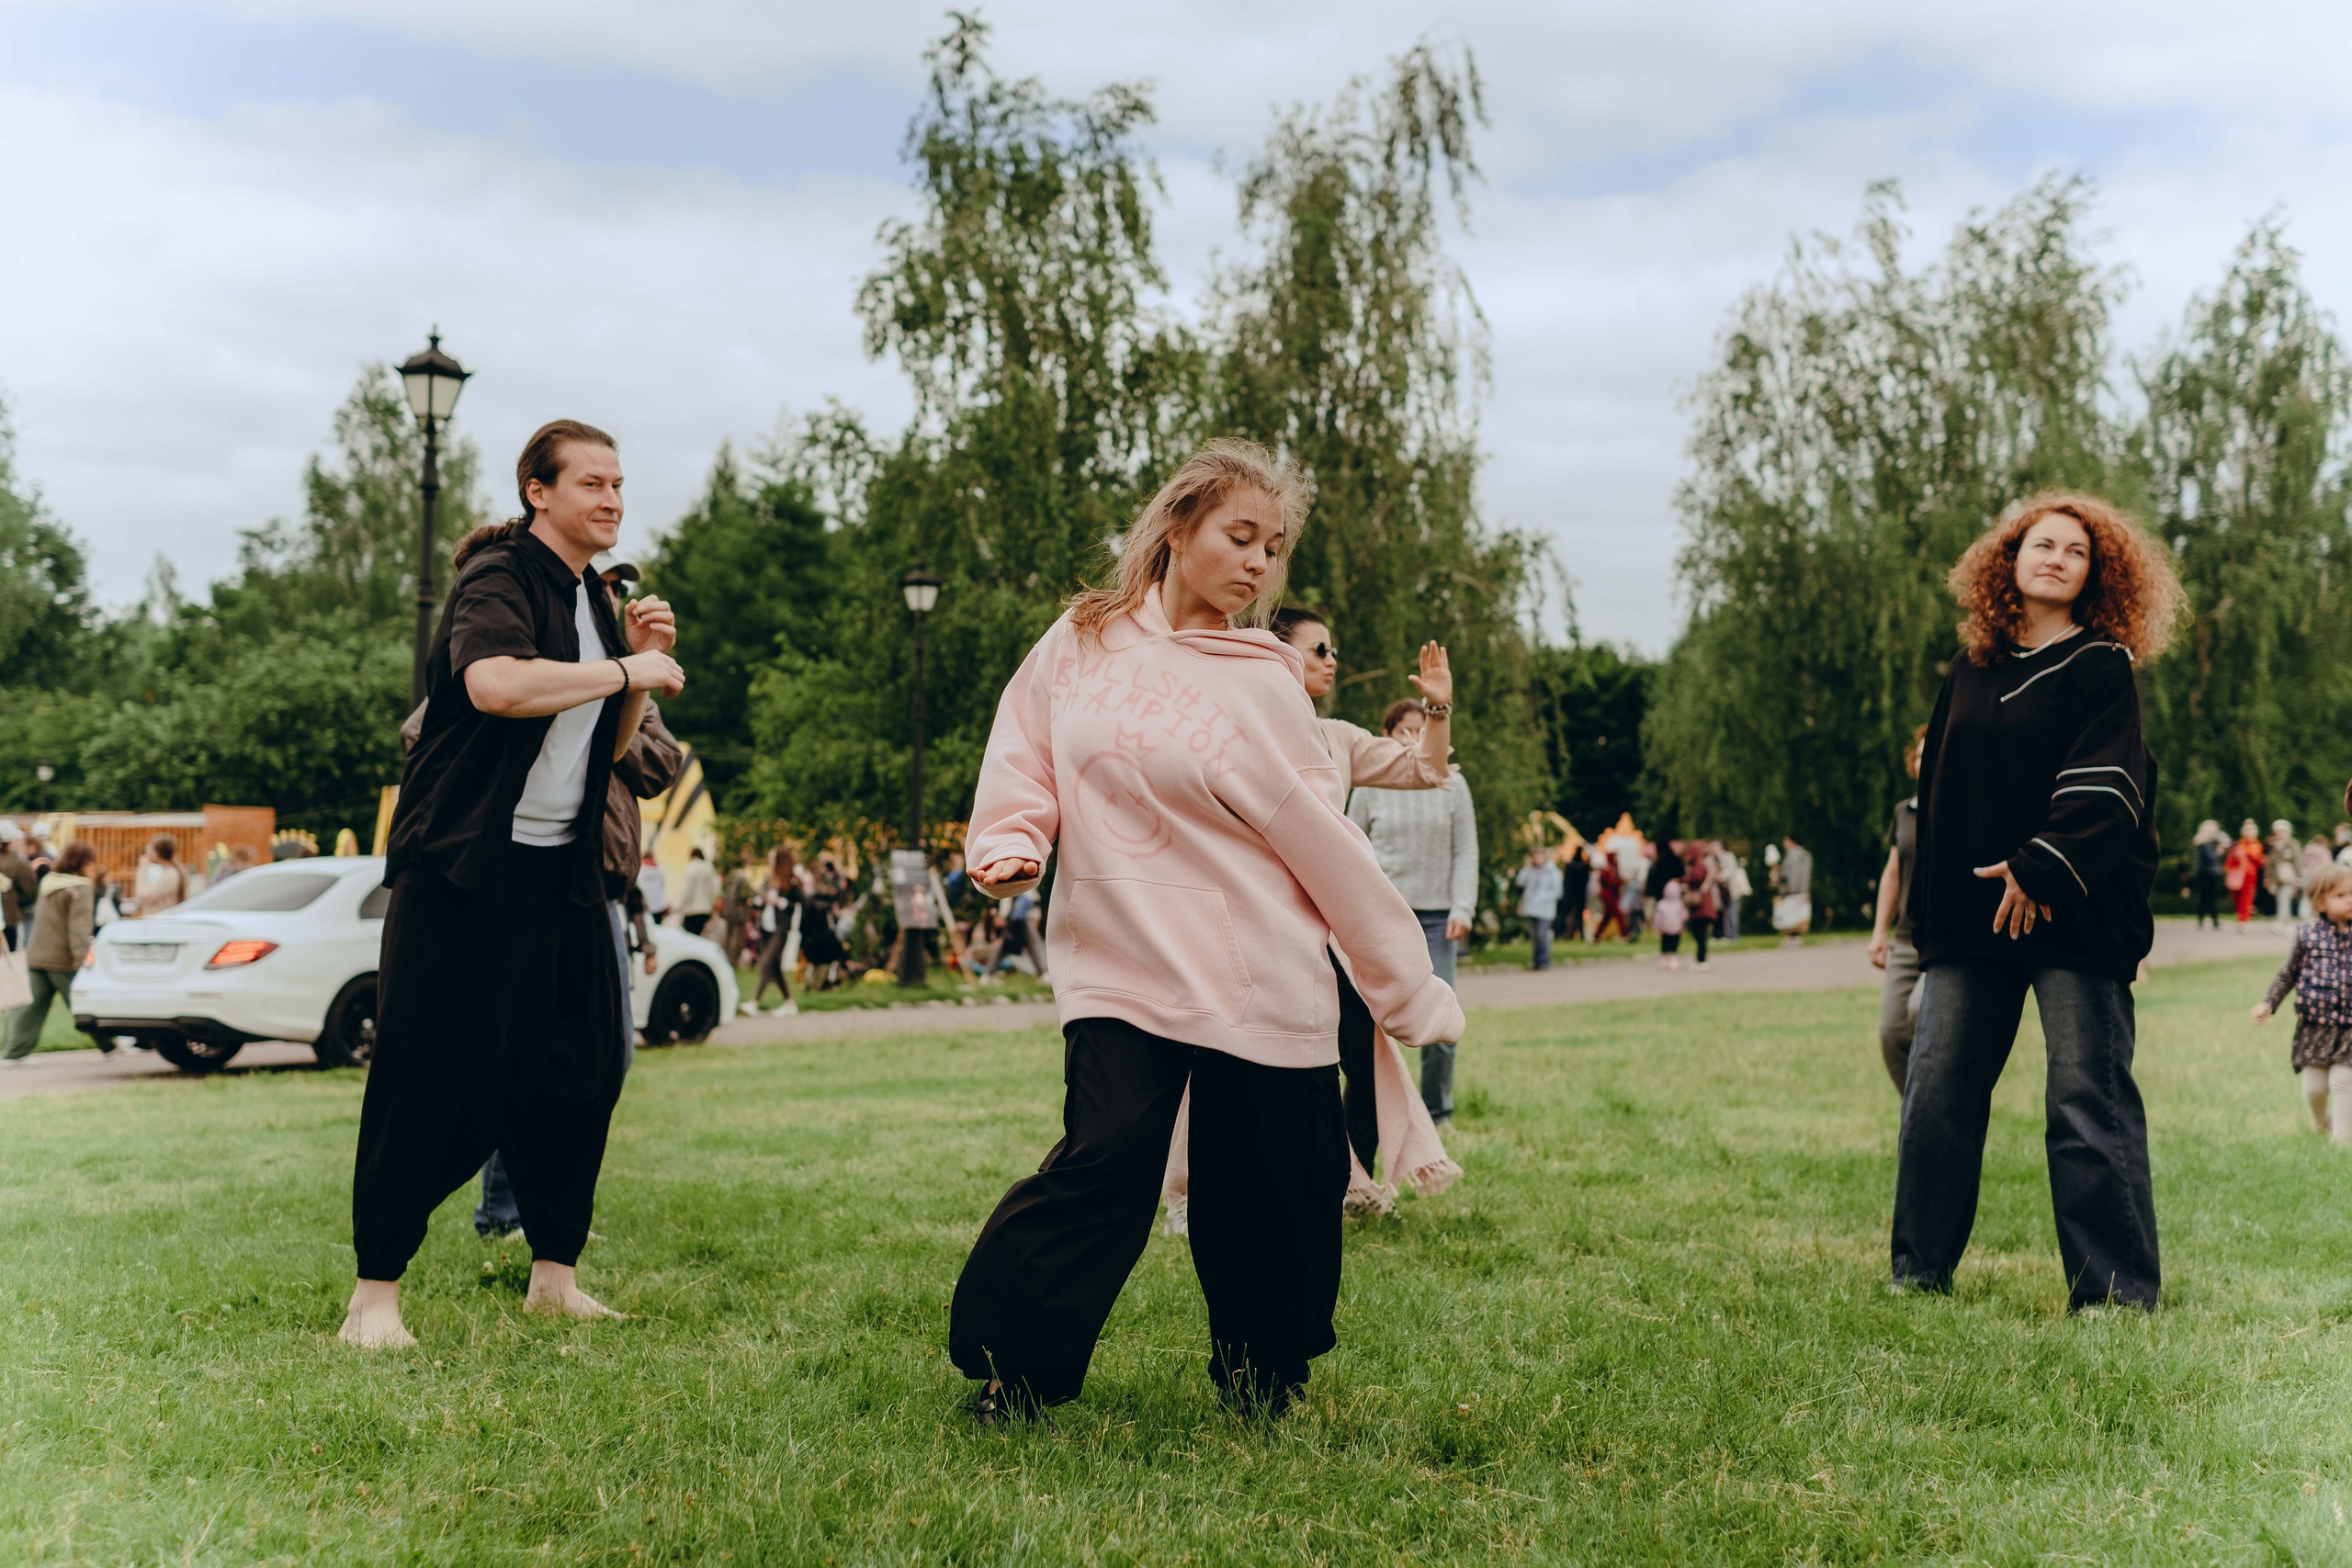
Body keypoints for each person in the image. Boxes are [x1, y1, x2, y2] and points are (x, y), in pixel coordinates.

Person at [949, 438, 1464, 1422]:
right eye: (1242, 536)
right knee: (1103, 1159)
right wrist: (1011, 841)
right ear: (1177, 528)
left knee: (1268, 1186)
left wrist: (1403, 984)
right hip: (1119, 960)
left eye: (1274, 548)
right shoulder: (1082, 639)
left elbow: (1321, 842)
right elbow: (1024, 750)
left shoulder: (1265, 680)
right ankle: (1018, 1372)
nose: (1260, 563)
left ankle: (1263, 1381)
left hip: (1256, 971)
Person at [341, 418, 685, 1349]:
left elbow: (610, 747)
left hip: (562, 873)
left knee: (581, 1069)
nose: (611, 500)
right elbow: (495, 685)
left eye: (619, 485)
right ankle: (374, 1297)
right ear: (539, 491)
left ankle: (554, 1278)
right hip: (462, 868)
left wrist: (630, 681)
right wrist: (625, 664)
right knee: (427, 1076)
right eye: (591, 483)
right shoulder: (499, 576)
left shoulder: (596, 594)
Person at [1893, 491, 2184, 1313]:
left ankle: (2114, 1295)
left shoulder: (2101, 665)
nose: (2057, 558)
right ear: (2010, 559)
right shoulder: (1969, 669)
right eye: (2042, 544)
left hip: (2075, 913)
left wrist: (2038, 869)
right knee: (1938, 1092)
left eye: (2076, 551)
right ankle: (1918, 1272)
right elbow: (1938, 798)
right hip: (1972, 918)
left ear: (2097, 575)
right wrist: (1927, 919)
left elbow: (2110, 787)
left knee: (2085, 1098)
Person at [1349, 699, 1479, 1124]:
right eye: (1402, 730)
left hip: (1439, 917)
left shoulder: (1452, 783)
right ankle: (1372, 1115)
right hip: (1383, 918)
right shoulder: (1369, 785)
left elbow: (1466, 850)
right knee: (1368, 1024)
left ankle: (1437, 1113)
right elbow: (1348, 848)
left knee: (1439, 1019)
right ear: (1386, 735)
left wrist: (1463, 906)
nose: (1411, 738)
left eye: (1419, 730)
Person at [2253, 863, 2352, 1143]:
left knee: (2343, 1081)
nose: (2350, 900)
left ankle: (2342, 1141)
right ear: (2320, 902)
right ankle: (2321, 1121)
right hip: (2314, 1026)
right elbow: (2288, 974)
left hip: (2349, 1027)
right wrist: (2268, 1004)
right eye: (2341, 895)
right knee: (2315, 1088)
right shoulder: (2307, 935)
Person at [1868, 728, 1929, 1091]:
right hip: (1905, 940)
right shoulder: (1904, 812)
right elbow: (1893, 873)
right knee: (1891, 1032)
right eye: (1919, 756)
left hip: (1944, 940)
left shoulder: (1962, 808)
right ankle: (1917, 1113)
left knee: (1921, 1011)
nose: (1924, 762)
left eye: (1932, 754)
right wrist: (1880, 931)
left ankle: (1939, 1106)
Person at [1, 841, 96, 1064]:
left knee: (28, 1008)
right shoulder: (80, 889)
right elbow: (79, 929)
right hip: (62, 959)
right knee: (84, 1005)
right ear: (85, 863)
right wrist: (82, 961)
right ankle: (111, 1044)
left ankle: (14, 1052)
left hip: (37, 954)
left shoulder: (50, 882)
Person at [747, 847, 804, 1016]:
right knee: (775, 967)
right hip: (766, 928)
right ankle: (789, 1003)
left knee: (766, 963)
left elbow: (799, 904)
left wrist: (779, 902)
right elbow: (759, 901)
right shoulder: (768, 879)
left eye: (772, 858)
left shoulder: (791, 882)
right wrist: (760, 900)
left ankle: (754, 1002)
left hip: (781, 929)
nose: (769, 861)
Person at [1516, 846, 1564, 970]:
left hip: (1545, 908)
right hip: (1531, 907)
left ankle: (1543, 961)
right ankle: (1536, 961)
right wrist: (1526, 868)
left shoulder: (1553, 872)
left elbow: (1557, 892)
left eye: (1537, 856)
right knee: (1534, 936)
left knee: (1542, 935)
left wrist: (1541, 897)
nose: (1535, 859)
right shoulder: (1531, 870)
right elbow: (1520, 882)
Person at [130, 834, 187, 919]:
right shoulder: (168, 872)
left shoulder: (171, 874)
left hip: (161, 921)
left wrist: (142, 868)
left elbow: (143, 896)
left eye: (149, 848)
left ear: (156, 853)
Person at [1680, 843, 1717, 965]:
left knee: (1700, 931)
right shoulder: (1699, 864)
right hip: (1702, 904)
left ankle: (1702, 958)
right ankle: (1701, 957)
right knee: (1700, 932)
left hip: (1701, 905)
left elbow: (1696, 878)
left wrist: (1682, 880)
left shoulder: (1698, 865)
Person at [1772, 836, 1813, 943]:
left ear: (1791, 841)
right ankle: (1796, 936)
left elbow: (1787, 874)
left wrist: (1777, 872)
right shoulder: (1805, 855)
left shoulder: (1791, 855)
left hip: (1791, 889)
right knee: (1798, 915)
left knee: (1789, 915)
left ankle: (1792, 937)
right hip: (1801, 889)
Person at [0, 823, 33, 953]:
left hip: (7, 916)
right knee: (8, 954)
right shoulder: (15, 863)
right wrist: (17, 902)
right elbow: (29, 891)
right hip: (8, 918)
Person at [2225, 819, 2265, 927]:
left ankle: (2244, 919)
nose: (2248, 833)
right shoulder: (2238, 844)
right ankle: (2240, 916)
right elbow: (2230, 860)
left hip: (2250, 875)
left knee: (2247, 896)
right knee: (2236, 896)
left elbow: (2259, 861)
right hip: (2237, 875)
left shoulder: (2257, 845)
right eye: (2246, 830)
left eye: (2251, 831)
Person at [2190, 820, 2227, 929]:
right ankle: (2214, 919)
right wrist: (2218, 852)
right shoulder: (2206, 844)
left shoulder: (2202, 844)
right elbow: (2210, 858)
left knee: (2204, 897)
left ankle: (2202, 918)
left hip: (2204, 873)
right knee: (2211, 897)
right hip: (2210, 873)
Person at [675, 847, 719, 937]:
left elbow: (686, 889)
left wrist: (680, 906)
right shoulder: (709, 868)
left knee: (691, 938)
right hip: (705, 910)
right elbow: (715, 889)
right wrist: (712, 904)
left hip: (692, 910)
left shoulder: (691, 867)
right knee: (700, 937)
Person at [2267, 819, 2302, 927]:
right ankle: (2286, 923)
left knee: (2284, 899)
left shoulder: (2293, 845)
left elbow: (2297, 861)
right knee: (2280, 899)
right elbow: (2270, 864)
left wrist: (2298, 877)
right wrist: (2269, 879)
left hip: (2289, 877)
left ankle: (2281, 922)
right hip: (2277, 877)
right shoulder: (2275, 845)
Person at [1654, 876, 1688, 970]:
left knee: (1665, 944)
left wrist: (1657, 927)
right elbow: (1684, 916)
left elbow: (1658, 918)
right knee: (1674, 944)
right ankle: (1672, 958)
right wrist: (1683, 925)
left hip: (1665, 929)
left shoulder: (1662, 904)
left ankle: (1664, 958)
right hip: (1676, 929)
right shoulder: (1679, 904)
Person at [2300, 836, 2335, 923]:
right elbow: (2328, 864)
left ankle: (2303, 914)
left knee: (2306, 896)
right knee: (2318, 895)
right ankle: (2315, 914)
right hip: (2319, 876)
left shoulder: (2308, 850)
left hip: (2307, 875)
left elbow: (2302, 863)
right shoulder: (2324, 851)